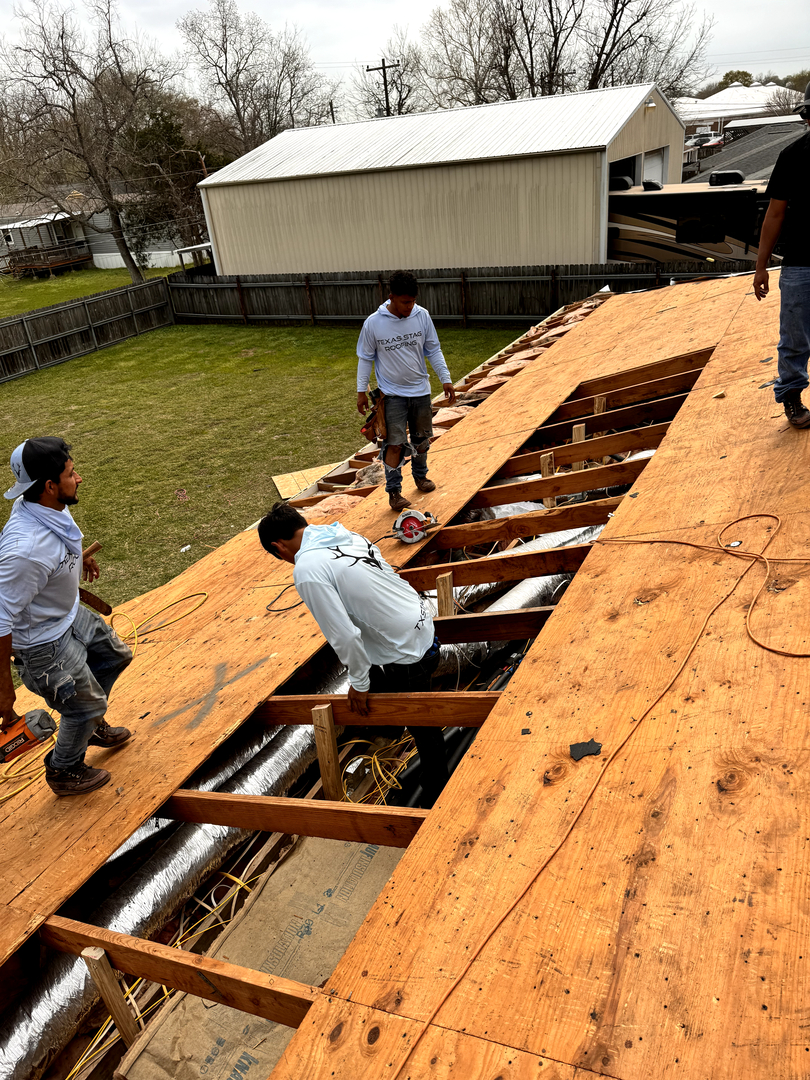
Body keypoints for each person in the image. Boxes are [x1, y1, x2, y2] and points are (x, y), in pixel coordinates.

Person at [257, 502, 450, 807]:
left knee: (424, 729)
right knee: (368, 663)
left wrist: (359, 684)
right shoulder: (343, 534)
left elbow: (344, 635)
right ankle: (388, 726)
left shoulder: (308, 569)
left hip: (405, 650)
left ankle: (437, 793)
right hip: (420, 620)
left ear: (278, 547)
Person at [0, 438, 132, 796]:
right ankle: (64, 769)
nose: (80, 478)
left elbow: (64, 534)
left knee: (116, 656)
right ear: (49, 486)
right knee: (83, 707)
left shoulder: (47, 504)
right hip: (42, 645)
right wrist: (3, 691)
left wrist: (78, 559)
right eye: (72, 474)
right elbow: (0, 619)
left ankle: (88, 721)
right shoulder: (24, 551)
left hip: (66, 615)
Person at [356, 269, 456, 512]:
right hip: (392, 396)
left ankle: (420, 477)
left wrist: (446, 379)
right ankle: (394, 492)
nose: (410, 307)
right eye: (405, 302)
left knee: (422, 439)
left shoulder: (422, 316)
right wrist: (361, 392)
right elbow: (365, 358)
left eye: (413, 301)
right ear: (391, 297)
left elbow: (433, 349)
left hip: (420, 392)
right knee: (394, 443)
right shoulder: (373, 324)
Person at [753, 81, 810, 428]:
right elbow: (774, 214)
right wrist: (760, 267)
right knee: (794, 337)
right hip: (800, 263)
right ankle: (791, 396)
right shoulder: (792, 156)